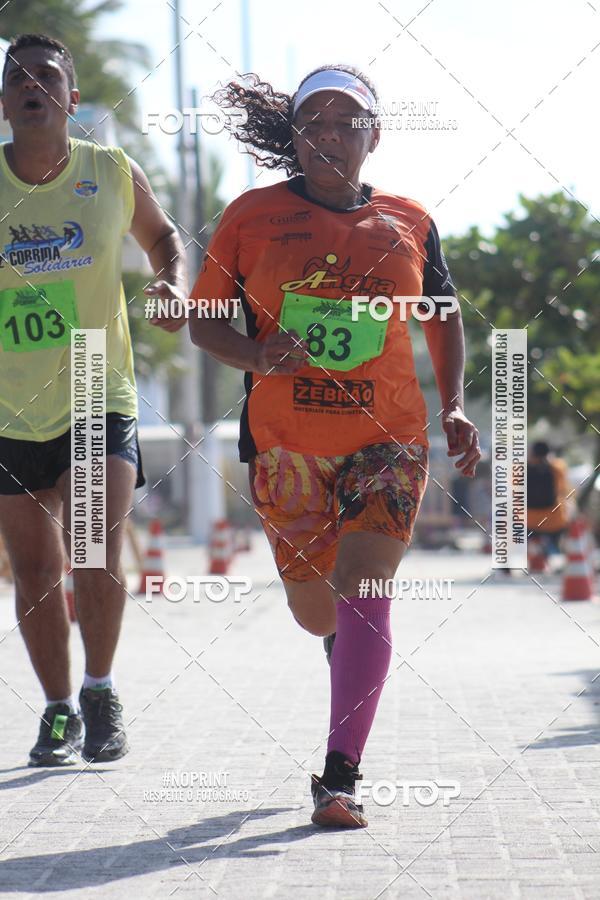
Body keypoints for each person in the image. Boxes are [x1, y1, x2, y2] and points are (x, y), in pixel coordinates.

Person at [189, 65, 480, 827]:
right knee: (316, 609)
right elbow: (204, 320)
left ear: (373, 136)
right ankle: (338, 647)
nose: (327, 134)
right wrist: (256, 358)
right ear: (293, 137)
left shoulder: (409, 220)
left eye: (346, 121)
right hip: (286, 445)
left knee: (367, 588)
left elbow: (442, 316)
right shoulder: (250, 217)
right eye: (312, 121)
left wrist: (452, 404)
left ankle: (339, 774)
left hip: (388, 437)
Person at [0, 34, 187, 767]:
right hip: (9, 403)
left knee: (90, 547)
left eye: (48, 76)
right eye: (17, 78)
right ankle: (56, 709)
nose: (32, 85)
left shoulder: (109, 171)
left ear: (72, 99)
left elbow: (164, 236)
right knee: (35, 570)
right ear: (4, 102)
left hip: (90, 385)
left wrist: (171, 280)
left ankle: (100, 691)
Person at [527, 441, 572, 555]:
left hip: (527, 521)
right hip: (554, 520)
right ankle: (558, 549)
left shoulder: (520, 468)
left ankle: (505, 566)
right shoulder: (558, 467)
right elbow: (563, 490)